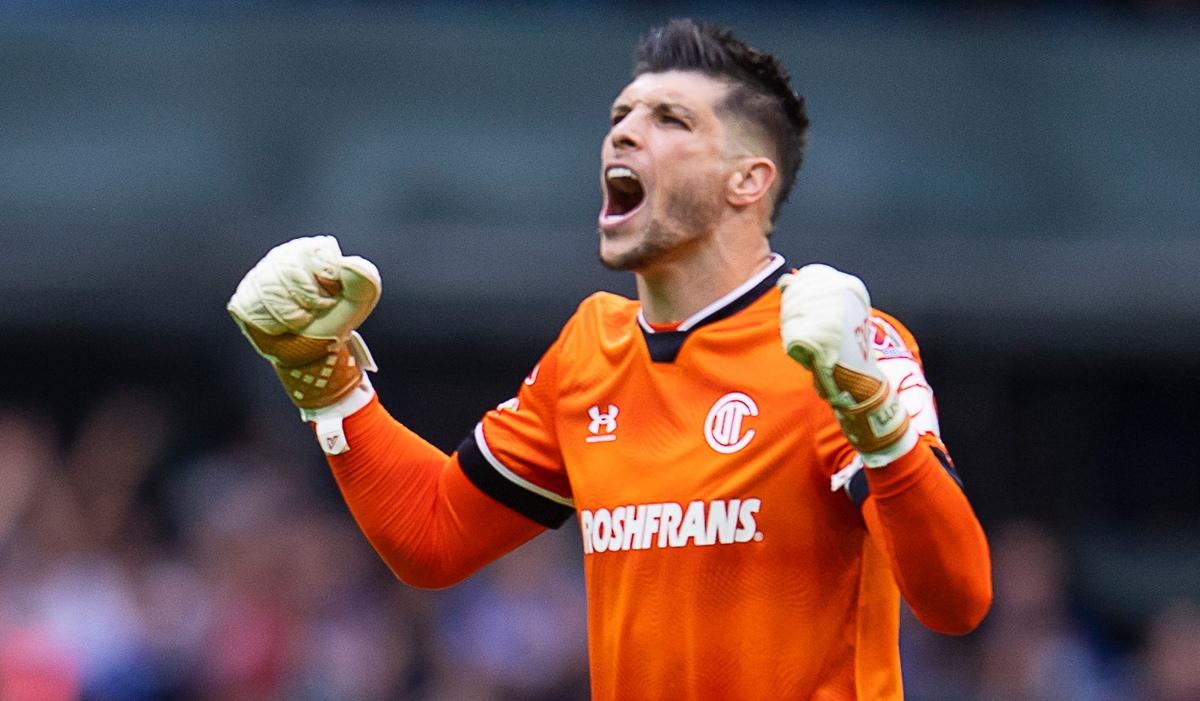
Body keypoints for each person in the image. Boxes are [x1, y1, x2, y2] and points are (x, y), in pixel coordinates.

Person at [227, 18, 992, 701]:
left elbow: (956, 600)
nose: (623, 134)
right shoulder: (590, 349)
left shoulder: (838, 345)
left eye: (670, 120)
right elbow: (433, 536)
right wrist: (322, 376)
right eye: (620, 116)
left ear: (748, 180)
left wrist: (871, 413)